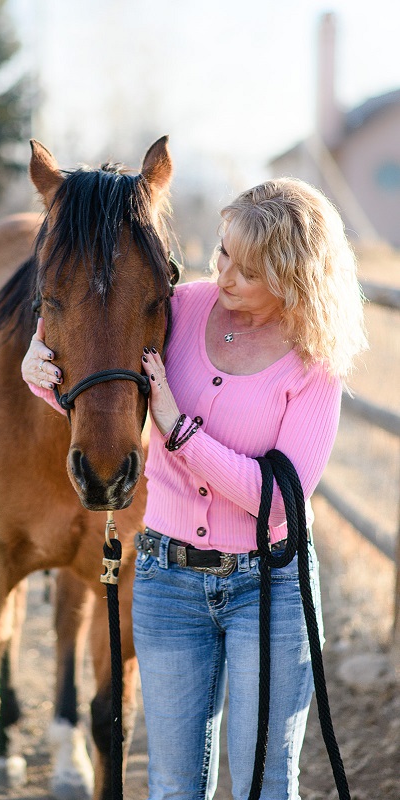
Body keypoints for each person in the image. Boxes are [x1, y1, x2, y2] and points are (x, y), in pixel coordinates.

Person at [21, 177, 367, 800]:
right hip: (168, 581)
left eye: (248, 269)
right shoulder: (181, 307)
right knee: (173, 785)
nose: (223, 273)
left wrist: (180, 432)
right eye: (223, 252)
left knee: (265, 784)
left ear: (293, 278)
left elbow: (279, 499)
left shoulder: (315, 362)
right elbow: (104, 358)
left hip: (270, 588)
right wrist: (37, 371)